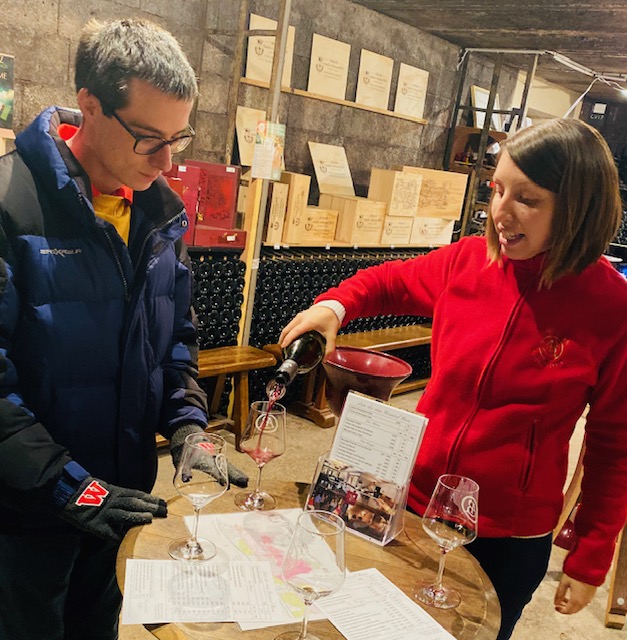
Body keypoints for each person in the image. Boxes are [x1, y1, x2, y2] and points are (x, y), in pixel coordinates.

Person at [280, 118, 627, 640]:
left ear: (578, 208)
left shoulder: (612, 308)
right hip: (411, 506)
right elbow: (387, 282)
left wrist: (590, 558)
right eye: (497, 189)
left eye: (527, 199)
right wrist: (334, 306)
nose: (500, 212)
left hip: (507, 538)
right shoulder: (468, 261)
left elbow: (614, 446)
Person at [0, 18, 245, 640]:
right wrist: (76, 491)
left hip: (121, 506)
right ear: (89, 105)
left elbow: (175, 342)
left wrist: (188, 425)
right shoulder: (9, 205)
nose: (167, 162)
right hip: (26, 515)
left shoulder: (161, 215)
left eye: (178, 137)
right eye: (148, 138)